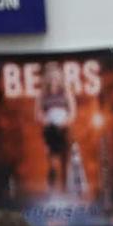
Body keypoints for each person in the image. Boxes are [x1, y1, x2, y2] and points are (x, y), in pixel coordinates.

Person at [37, 60, 78, 193]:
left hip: (63, 127)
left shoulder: (66, 92)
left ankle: (65, 187)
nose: (53, 78)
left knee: (64, 156)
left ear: (60, 77)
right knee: (52, 159)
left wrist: (65, 122)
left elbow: (72, 112)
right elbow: (38, 113)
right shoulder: (42, 94)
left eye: (55, 76)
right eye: (50, 76)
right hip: (50, 128)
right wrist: (45, 120)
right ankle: (52, 185)